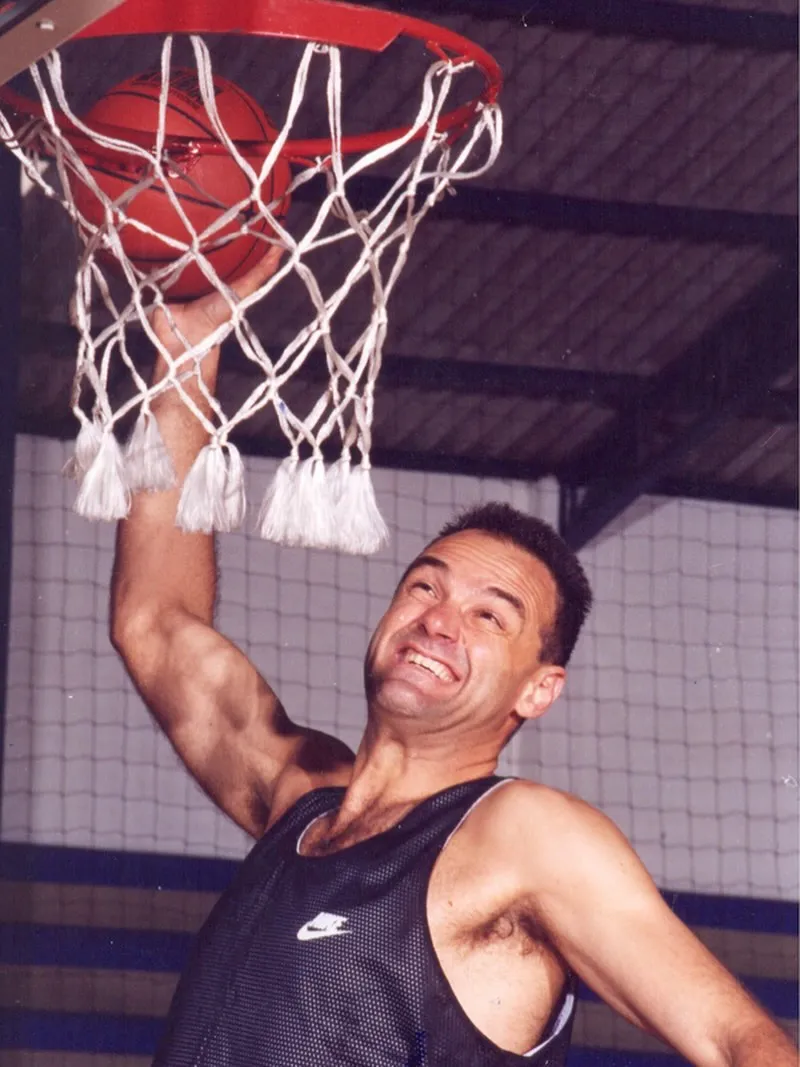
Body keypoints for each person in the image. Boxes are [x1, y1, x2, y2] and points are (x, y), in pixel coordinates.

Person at [110, 248, 797, 1067]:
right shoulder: (297, 793)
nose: (439, 620)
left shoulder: (524, 835)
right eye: (425, 587)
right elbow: (154, 620)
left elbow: (739, 1041)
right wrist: (187, 350)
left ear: (539, 689)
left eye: (488, 616)